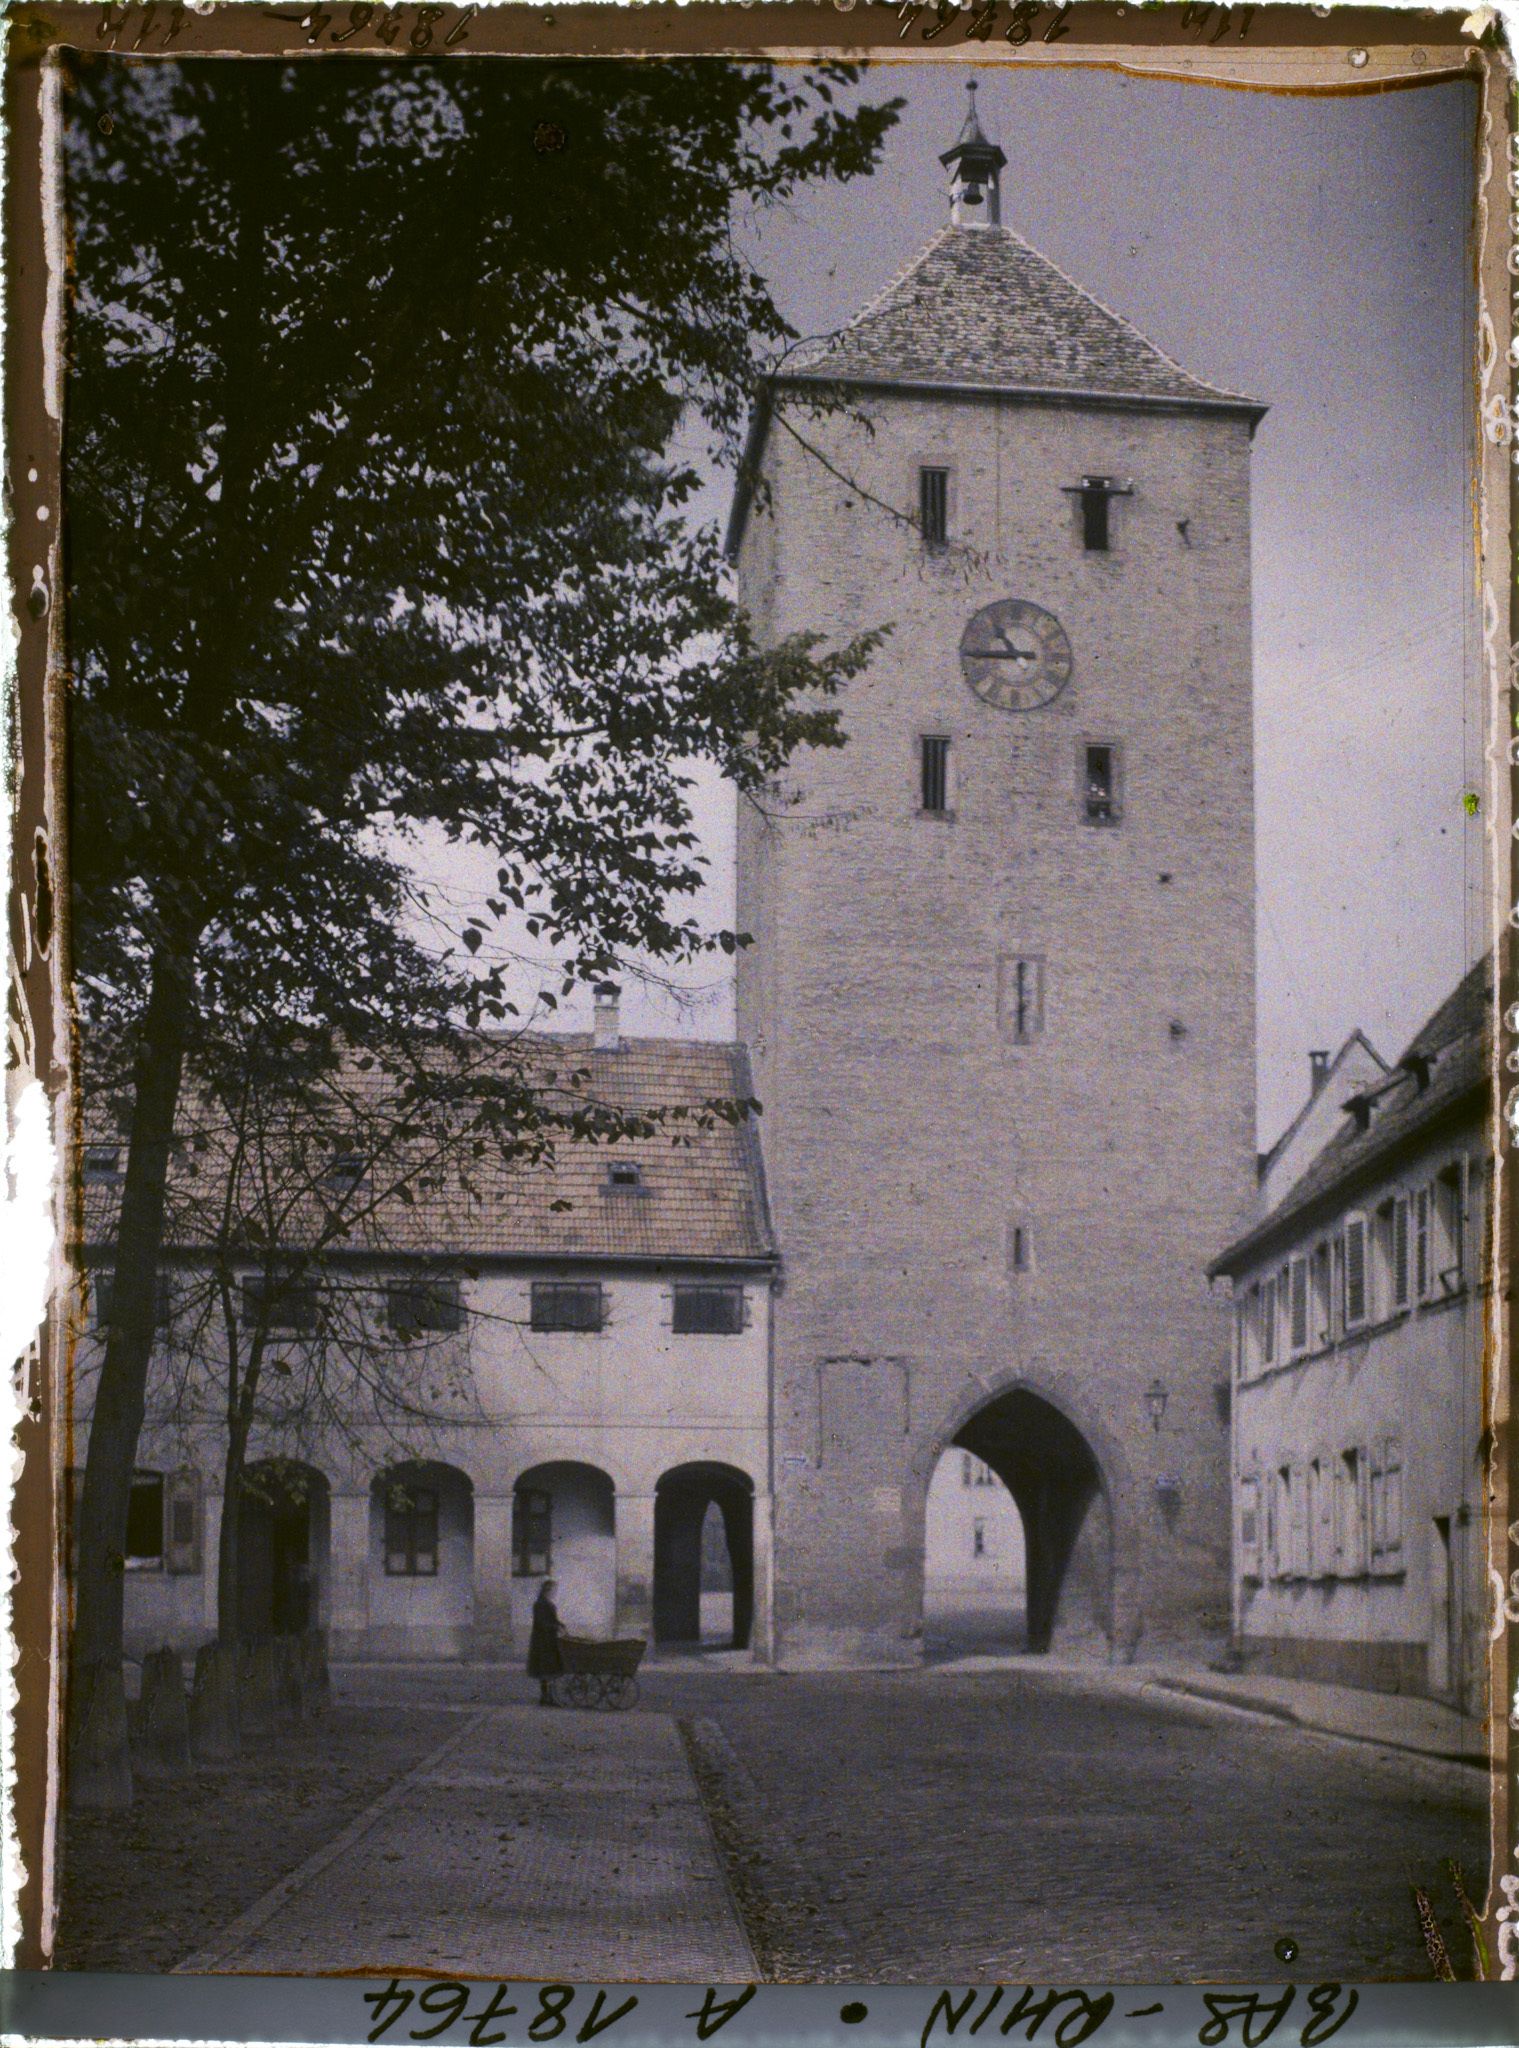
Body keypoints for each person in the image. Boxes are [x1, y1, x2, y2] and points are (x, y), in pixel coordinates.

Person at [528, 1578, 566, 1706]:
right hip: (542, 1641)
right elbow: (541, 1623)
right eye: (553, 1590)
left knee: (548, 1670)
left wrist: (560, 1624)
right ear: (547, 1590)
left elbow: (552, 1619)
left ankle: (547, 1697)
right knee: (545, 1670)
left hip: (549, 1639)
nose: (554, 1592)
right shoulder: (539, 1604)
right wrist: (555, 1626)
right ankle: (545, 1697)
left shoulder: (547, 1603)